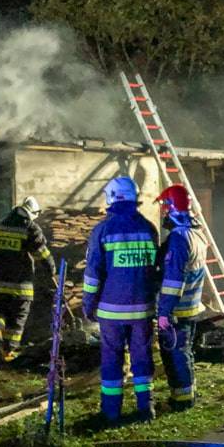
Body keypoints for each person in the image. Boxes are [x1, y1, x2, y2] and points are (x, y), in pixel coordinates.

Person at [83, 177, 159, 424]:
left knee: (112, 360)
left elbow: (93, 273)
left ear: (111, 198)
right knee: (142, 358)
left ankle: (111, 412)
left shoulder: (102, 230)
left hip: (111, 312)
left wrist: (88, 304)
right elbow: (153, 271)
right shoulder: (149, 228)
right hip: (143, 310)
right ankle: (145, 409)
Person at [0, 196, 56, 362]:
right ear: (32, 213)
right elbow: (41, 254)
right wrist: (51, 271)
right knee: (18, 317)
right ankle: (8, 351)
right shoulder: (30, 228)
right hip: (20, 284)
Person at [156, 184, 208, 411]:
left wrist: (165, 312)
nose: (161, 211)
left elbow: (173, 280)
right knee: (184, 352)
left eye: (163, 206)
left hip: (176, 310)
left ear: (171, 207)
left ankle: (182, 401)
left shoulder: (178, 238)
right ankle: (188, 395)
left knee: (175, 354)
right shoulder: (197, 232)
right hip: (191, 306)